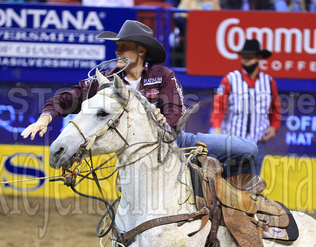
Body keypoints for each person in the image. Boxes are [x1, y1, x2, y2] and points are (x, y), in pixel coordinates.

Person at [21, 20, 257, 175]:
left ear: (141, 51)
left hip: (174, 142)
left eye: (124, 46)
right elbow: (69, 96)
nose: (118, 52)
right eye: (117, 47)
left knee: (247, 148)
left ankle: (232, 199)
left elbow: (175, 110)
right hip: (134, 154)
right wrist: (45, 118)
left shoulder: (162, 75)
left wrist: (164, 121)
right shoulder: (106, 80)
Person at [210, 39, 282, 176]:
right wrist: (217, 126)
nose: (247, 60)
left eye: (250, 57)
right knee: (229, 181)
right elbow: (219, 106)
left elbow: (276, 107)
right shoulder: (230, 79)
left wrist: (274, 126)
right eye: (244, 57)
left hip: (258, 142)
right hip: (233, 141)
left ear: (259, 58)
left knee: (252, 184)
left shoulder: (269, 81)